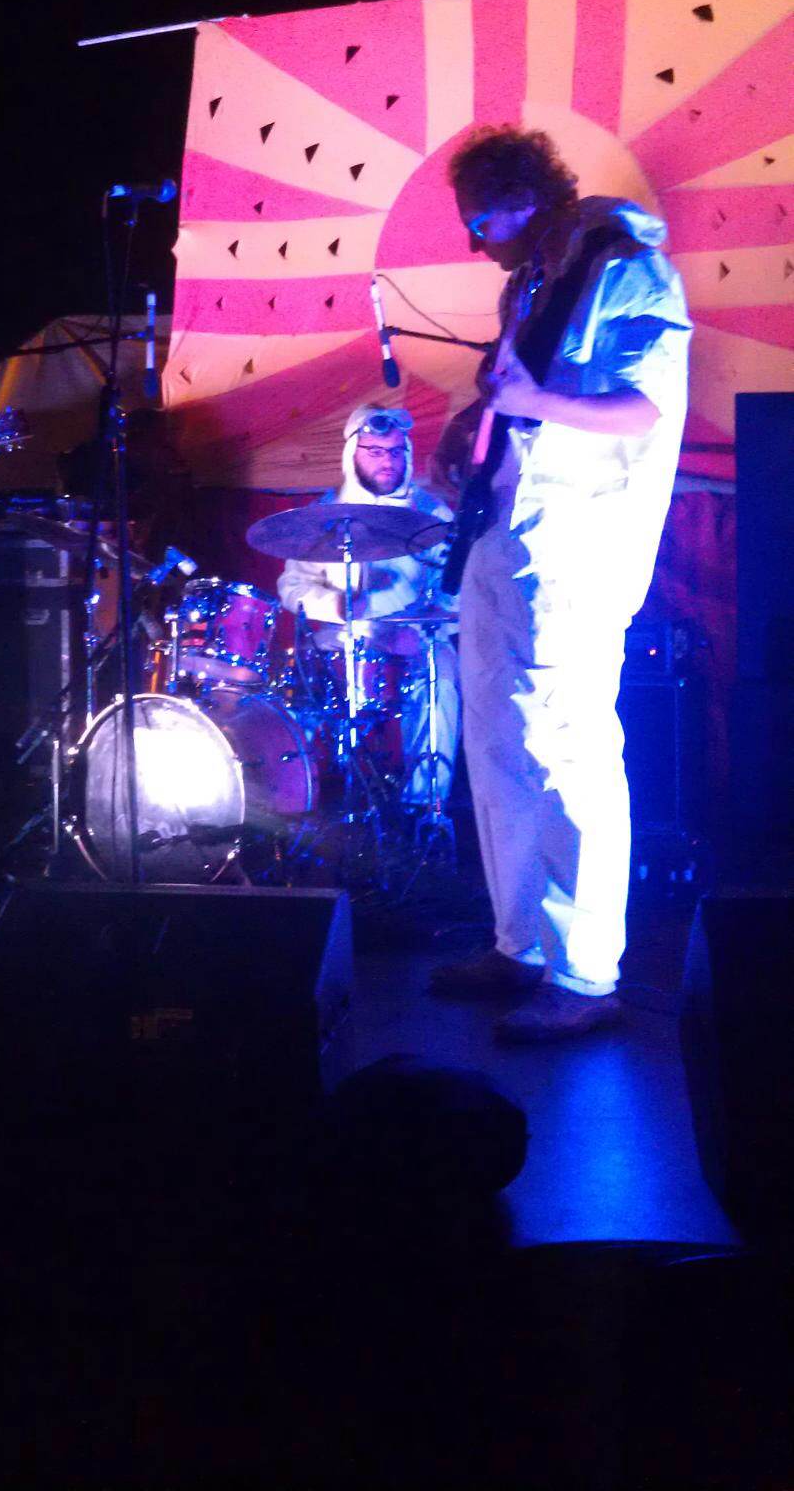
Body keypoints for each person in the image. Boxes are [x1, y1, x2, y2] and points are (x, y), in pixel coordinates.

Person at [430, 126, 692, 1040]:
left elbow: (642, 406)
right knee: (497, 740)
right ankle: (519, 945)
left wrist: (529, 403)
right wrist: (469, 429)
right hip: (506, 535)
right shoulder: (531, 283)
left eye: (481, 222)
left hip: (579, 548)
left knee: (570, 750)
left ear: (523, 199)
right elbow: (519, 401)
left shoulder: (627, 268)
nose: (476, 243)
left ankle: (585, 975)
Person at [277, 403, 459, 805]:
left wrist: (422, 629)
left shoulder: (432, 514)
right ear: (352, 454)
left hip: (413, 636)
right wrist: (334, 605)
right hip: (341, 634)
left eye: (395, 451)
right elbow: (291, 586)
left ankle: (423, 806)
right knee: (302, 676)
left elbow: (454, 593)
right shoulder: (321, 515)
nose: (386, 461)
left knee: (441, 676)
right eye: (375, 452)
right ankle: (300, 798)